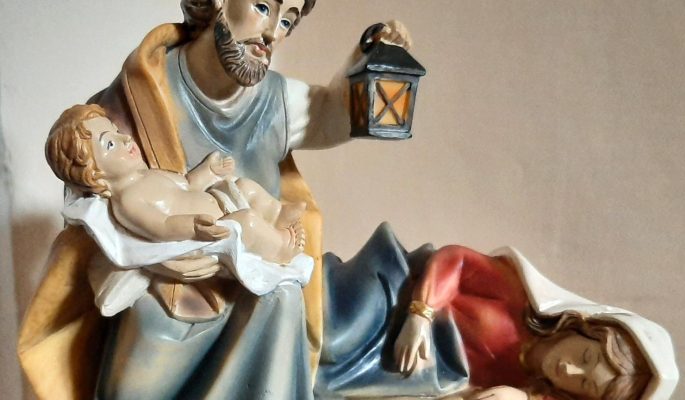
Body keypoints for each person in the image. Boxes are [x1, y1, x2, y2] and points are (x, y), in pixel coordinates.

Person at [18, 0, 413, 399]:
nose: (272, 33)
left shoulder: (276, 99)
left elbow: (330, 111)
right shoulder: (136, 96)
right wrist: (157, 254)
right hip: (169, 289)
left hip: (253, 262)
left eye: (288, 21)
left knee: (283, 296)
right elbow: (88, 205)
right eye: (263, 7)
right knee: (149, 330)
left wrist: (371, 57)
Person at [314, 230, 678, 399]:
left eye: (585, 384)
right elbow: (456, 261)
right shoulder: (517, 300)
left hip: (409, 367)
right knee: (332, 338)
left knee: (328, 385)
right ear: (584, 328)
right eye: (585, 357)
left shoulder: (525, 387)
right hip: (397, 297)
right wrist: (420, 316)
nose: (570, 370)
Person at [46, 104, 306, 264]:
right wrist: (193, 227)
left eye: (116, 131)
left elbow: (187, 184)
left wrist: (208, 170)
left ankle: (277, 214)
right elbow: (161, 227)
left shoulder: (150, 176)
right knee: (247, 223)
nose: (125, 139)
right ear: (96, 176)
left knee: (246, 186)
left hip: (222, 202)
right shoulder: (128, 201)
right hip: (214, 230)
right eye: (110, 143)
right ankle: (281, 249)